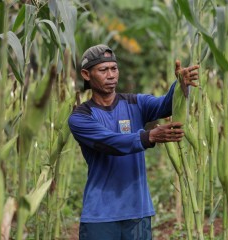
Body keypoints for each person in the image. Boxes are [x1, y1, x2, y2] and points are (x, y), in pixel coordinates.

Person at [68, 44, 199, 240]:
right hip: (100, 215)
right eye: (103, 70)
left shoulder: (135, 102)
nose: (111, 75)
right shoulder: (80, 117)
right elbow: (109, 142)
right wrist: (149, 136)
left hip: (138, 212)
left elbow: (165, 105)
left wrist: (180, 86)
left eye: (114, 68)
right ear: (86, 74)